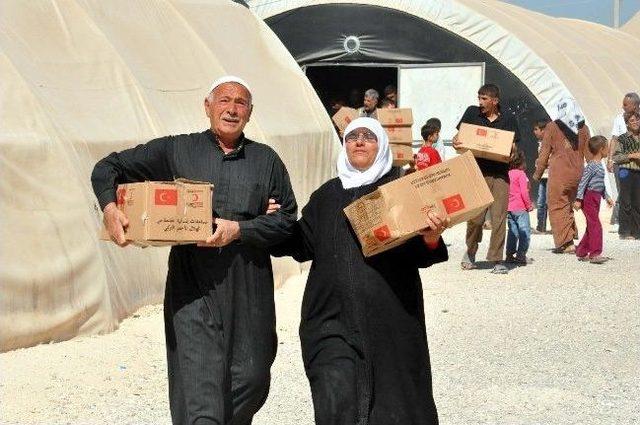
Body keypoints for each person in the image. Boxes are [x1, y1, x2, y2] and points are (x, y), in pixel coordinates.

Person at [91, 76, 298, 425]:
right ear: (207, 106)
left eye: (241, 103)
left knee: (253, 376)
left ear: (250, 113)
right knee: (200, 387)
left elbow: (288, 221)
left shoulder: (266, 160)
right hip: (193, 285)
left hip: (249, 284)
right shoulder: (178, 150)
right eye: (223, 100)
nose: (232, 109)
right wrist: (110, 207)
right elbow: (107, 168)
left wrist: (242, 229)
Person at [271, 117, 449, 425]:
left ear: (381, 146)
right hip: (329, 322)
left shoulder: (398, 188)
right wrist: (272, 222)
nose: (360, 142)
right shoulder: (327, 196)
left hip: (391, 321)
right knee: (334, 398)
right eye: (353, 136)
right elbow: (301, 244)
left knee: (394, 407)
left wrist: (431, 236)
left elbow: (419, 251)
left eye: (369, 136)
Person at [453, 83, 520, 274]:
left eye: (484, 99)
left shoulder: (508, 119)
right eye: (479, 98)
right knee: (475, 217)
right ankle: (471, 251)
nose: (480, 102)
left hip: (500, 174)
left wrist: (511, 153)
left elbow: (513, 147)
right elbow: (458, 138)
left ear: (495, 101)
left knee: (499, 217)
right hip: (476, 172)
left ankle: (497, 259)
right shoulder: (472, 114)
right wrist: (456, 142)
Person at [533, 97, 589, 254]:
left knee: (558, 206)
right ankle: (571, 236)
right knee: (568, 205)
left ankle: (566, 243)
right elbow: (589, 153)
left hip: (559, 173)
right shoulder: (583, 128)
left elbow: (544, 155)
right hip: (578, 172)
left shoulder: (552, 127)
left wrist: (537, 174)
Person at [574, 136, 615, 263]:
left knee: (591, 226)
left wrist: (607, 197)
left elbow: (600, 184)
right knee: (596, 225)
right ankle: (595, 254)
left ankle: (581, 251)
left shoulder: (599, 165)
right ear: (601, 149)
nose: (608, 150)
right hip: (589, 198)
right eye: (607, 147)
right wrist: (578, 199)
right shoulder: (591, 166)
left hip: (596, 198)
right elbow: (583, 183)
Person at [607, 93, 640, 233]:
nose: (623, 107)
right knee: (623, 191)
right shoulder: (619, 119)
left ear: (635, 105)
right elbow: (614, 139)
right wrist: (609, 159)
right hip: (622, 164)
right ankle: (622, 223)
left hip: (637, 165)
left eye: (626, 104)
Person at [506, 150, 534, 265]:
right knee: (524, 231)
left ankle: (509, 254)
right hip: (520, 208)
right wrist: (529, 205)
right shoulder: (521, 174)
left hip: (509, 208)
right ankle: (521, 255)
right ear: (521, 162)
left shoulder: (507, 173)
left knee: (512, 232)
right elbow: (524, 191)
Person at [532, 118, 551, 234]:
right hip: (543, 176)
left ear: (543, 130)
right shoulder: (540, 143)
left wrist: (541, 162)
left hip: (550, 175)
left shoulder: (550, 143)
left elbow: (550, 159)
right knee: (541, 201)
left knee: (549, 201)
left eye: (536, 129)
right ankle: (541, 226)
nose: (534, 132)